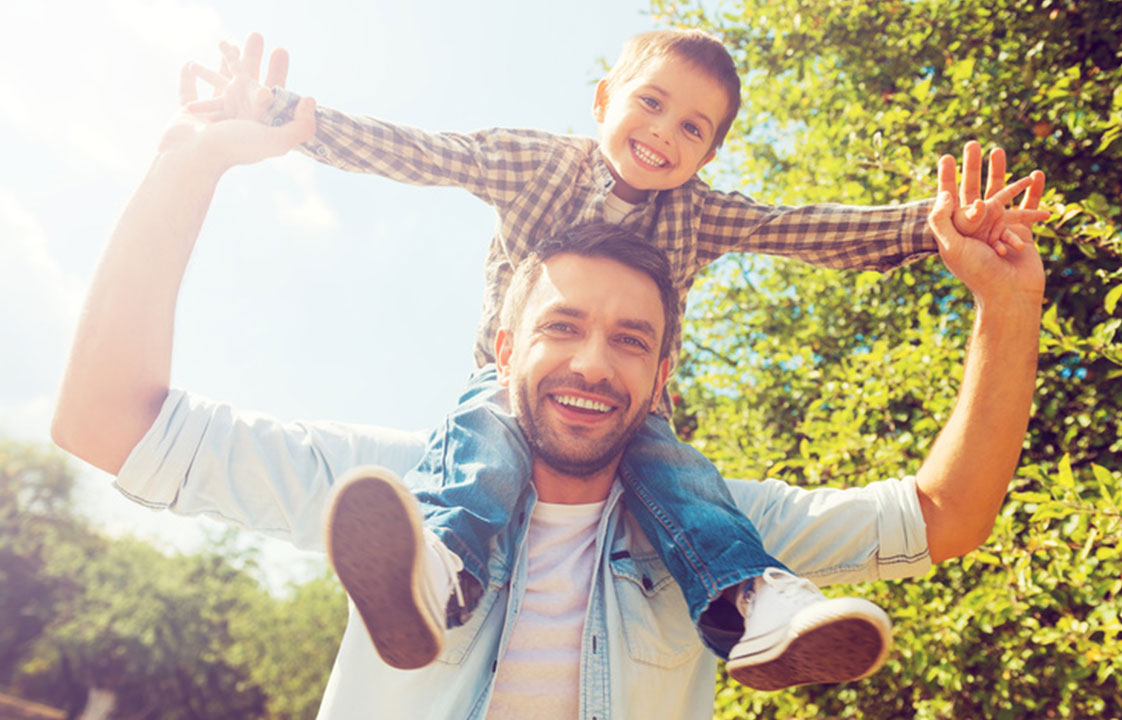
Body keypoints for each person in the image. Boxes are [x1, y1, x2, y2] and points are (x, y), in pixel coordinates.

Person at [51, 52, 1046, 717]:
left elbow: (804, 232)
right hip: (482, 411)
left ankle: (749, 599)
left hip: (658, 452)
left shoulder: (699, 221)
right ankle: (439, 570)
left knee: (676, 475)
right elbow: (424, 156)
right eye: (649, 103)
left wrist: (936, 235)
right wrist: (280, 131)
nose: (663, 134)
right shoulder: (386, 483)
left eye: (693, 128)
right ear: (602, 98)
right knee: (480, 441)